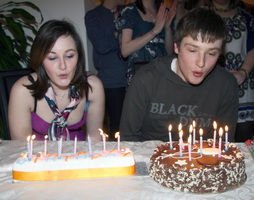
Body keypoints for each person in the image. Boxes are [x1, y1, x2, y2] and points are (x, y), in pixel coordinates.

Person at [119, 7, 239, 142]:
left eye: (211, 53)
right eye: (193, 50)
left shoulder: (226, 85)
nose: (201, 63)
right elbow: (128, 139)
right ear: (176, 47)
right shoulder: (146, 80)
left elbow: (223, 143)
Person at [8, 20, 105, 142]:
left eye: (69, 56)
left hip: (80, 156)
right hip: (38, 158)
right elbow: (21, 147)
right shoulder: (23, 91)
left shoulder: (92, 87)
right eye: (52, 58)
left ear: (79, 56)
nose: (63, 66)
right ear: (40, 59)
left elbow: (96, 140)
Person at [207, 0, 254, 142]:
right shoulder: (202, 14)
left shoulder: (246, 17)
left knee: (243, 133)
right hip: (209, 80)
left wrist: (243, 72)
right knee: (210, 131)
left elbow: (253, 48)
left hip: (241, 81)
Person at [85, 0, 127, 140]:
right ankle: (116, 157)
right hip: (111, 80)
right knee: (117, 125)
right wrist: (120, 34)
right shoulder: (93, 16)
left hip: (134, 76)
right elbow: (102, 45)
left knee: (134, 122)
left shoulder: (127, 11)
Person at [116, 0, 177, 85]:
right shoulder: (130, 11)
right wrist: (154, 31)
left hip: (162, 73)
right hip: (140, 75)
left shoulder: (163, 11)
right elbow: (125, 50)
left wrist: (167, 28)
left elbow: (169, 52)